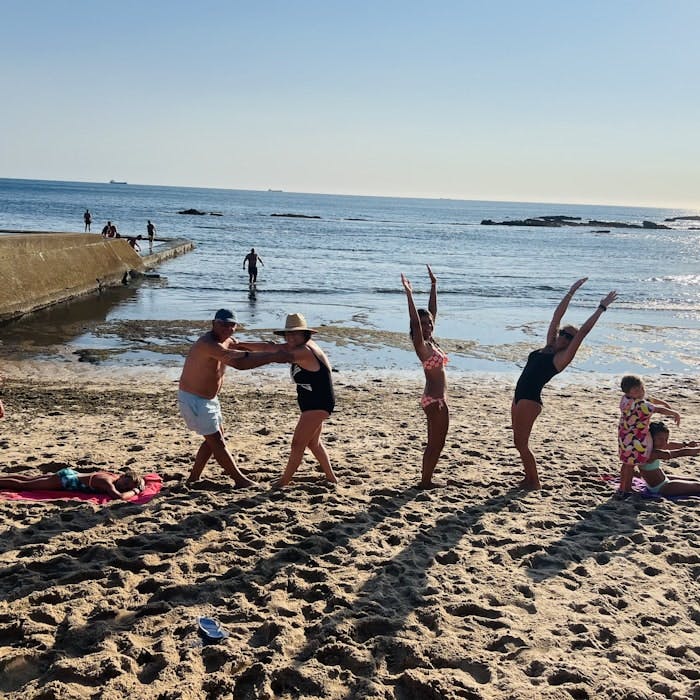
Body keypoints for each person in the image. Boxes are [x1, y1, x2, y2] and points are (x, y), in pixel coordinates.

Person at [512, 278, 617, 490]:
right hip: (519, 397)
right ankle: (528, 477)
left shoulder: (561, 358)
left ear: (571, 342)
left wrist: (601, 307)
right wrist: (571, 292)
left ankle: (535, 481)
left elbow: (584, 332)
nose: (563, 337)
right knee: (518, 443)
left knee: (522, 444)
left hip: (530, 400)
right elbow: (556, 317)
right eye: (563, 333)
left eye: (569, 337)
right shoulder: (548, 346)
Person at [178, 308, 291, 487]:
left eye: (232, 325)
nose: (228, 328)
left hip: (209, 399)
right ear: (214, 324)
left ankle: (193, 478)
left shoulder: (228, 341)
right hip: (194, 399)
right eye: (223, 324)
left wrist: (277, 348)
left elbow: (244, 346)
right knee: (217, 441)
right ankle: (240, 480)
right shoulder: (208, 343)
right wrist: (273, 357)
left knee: (215, 438)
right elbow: (239, 362)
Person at [235, 313, 337, 487]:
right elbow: (270, 348)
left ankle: (284, 480)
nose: (290, 337)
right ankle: (331, 478)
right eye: (288, 333)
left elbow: (273, 356)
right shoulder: (299, 346)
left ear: (305, 334)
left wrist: (238, 358)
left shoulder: (303, 351)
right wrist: (239, 344)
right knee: (313, 443)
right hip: (312, 403)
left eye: (295, 333)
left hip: (317, 404)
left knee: (297, 444)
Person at [401, 266, 448, 488]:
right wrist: (409, 294)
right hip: (434, 400)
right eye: (424, 324)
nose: (428, 325)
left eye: (429, 323)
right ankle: (425, 481)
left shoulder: (431, 342)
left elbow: (432, 312)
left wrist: (434, 285)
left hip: (437, 399)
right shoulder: (421, 345)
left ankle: (426, 479)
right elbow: (414, 320)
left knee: (438, 443)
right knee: (435, 443)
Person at [617, 375, 680, 496]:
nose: (640, 392)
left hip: (624, 436)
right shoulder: (640, 405)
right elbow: (657, 409)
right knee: (631, 465)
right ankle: (626, 489)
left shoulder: (625, 400)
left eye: (641, 388)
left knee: (626, 463)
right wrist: (674, 413)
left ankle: (622, 486)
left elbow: (649, 399)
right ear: (628, 392)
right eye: (636, 391)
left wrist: (664, 403)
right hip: (635, 439)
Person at [638, 421, 700, 497]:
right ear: (650, 438)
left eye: (666, 439)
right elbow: (680, 453)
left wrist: (686, 444)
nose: (664, 442)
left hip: (663, 480)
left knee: (694, 480)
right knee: (698, 486)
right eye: (660, 439)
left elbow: (669, 445)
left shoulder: (649, 447)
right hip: (661, 488)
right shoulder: (652, 453)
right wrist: (697, 450)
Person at [0, 468, 144, 500]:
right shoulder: (107, 483)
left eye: (126, 488)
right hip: (66, 480)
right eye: (125, 484)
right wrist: (136, 490)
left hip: (70, 474)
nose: (123, 488)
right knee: (24, 485)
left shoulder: (115, 476)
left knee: (27, 479)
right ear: (123, 476)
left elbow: (139, 478)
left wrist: (138, 482)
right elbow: (119, 497)